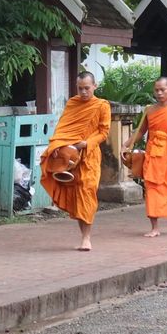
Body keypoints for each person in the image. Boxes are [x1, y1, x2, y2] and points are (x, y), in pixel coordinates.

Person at [40, 72, 111, 251]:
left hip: (89, 156)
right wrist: (57, 144)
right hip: (70, 158)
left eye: (87, 88)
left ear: (95, 86)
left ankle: (87, 238)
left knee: (87, 192)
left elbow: (104, 132)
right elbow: (62, 129)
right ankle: (83, 236)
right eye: (80, 88)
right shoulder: (73, 103)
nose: (84, 92)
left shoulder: (102, 106)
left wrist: (86, 143)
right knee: (76, 196)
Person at [126, 77, 167, 237]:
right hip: (153, 154)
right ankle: (154, 227)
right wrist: (126, 144)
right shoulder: (150, 110)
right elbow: (141, 131)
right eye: (156, 90)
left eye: (163, 89)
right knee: (152, 189)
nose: (159, 93)